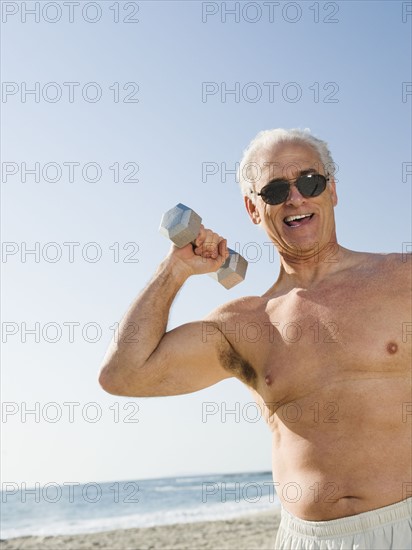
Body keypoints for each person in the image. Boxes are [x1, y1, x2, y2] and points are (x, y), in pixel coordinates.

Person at [99, 128, 411, 549]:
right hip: (309, 540)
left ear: (332, 191)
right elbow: (123, 375)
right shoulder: (243, 323)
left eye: (309, 181)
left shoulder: (401, 277)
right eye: (275, 190)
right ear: (253, 208)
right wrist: (175, 270)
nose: (295, 198)